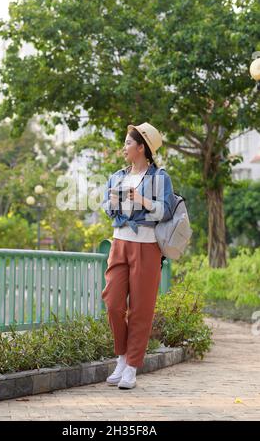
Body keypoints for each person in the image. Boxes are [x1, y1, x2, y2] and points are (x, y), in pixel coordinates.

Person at [101, 122, 177, 390]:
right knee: (112, 302)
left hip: (146, 247)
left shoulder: (159, 178)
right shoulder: (116, 176)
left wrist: (141, 200)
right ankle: (121, 357)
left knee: (141, 309)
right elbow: (108, 209)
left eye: (128, 143)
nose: (124, 148)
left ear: (141, 147)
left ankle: (132, 366)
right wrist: (112, 203)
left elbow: (166, 212)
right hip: (119, 243)